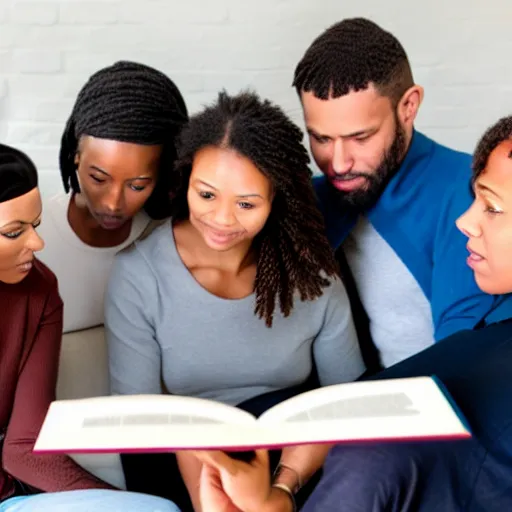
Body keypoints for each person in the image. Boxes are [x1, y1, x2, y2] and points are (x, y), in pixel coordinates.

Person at [196, 116, 512, 512]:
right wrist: (281, 494)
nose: (466, 222)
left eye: (493, 208)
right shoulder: (483, 337)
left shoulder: (374, 461)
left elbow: (372, 461)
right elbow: (355, 406)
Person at [105, 90, 366, 511]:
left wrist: (279, 491)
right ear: (185, 179)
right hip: (177, 455)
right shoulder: (139, 275)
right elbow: (140, 419)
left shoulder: (312, 275)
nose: (222, 220)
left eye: (246, 204)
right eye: (206, 195)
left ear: (275, 200)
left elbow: (345, 404)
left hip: (290, 459)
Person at [293, 17, 500, 371]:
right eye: (322, 139)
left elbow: (463, 364)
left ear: (408, 106)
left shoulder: (472, 197)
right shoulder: (315, 200)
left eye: (361, 138)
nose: (339, 163)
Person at [0, 143, 180, 512]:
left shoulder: (40, 290)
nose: (38, 242)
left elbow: (24, 447)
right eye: (14, 232)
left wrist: (118, 503)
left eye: (34, 224)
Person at [37, 60, 188, 333]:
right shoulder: (31, 233)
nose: (112, 203)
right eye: (98, 178)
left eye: (138, 185)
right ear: (75, 156)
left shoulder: (172, 237)